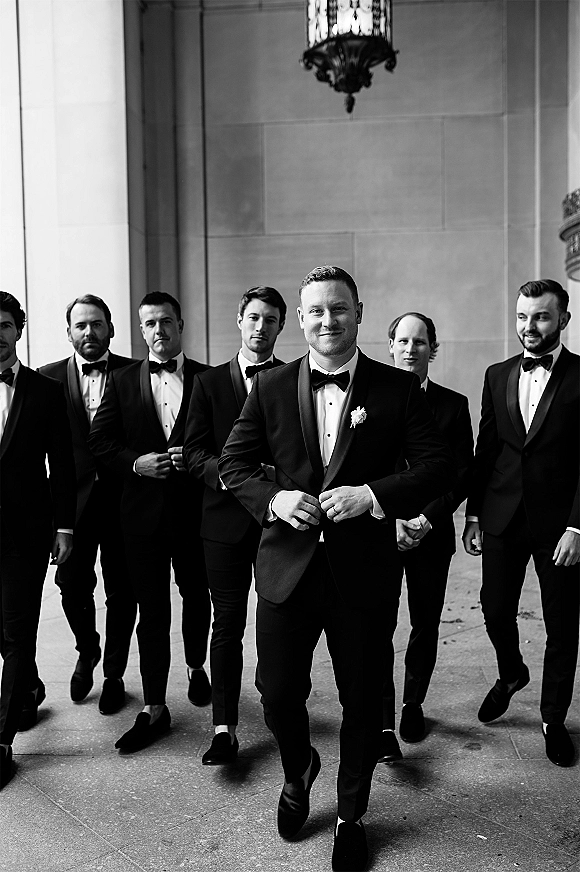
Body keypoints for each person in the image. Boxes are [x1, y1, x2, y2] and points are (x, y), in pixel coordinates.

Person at [218, 266, 455, 871]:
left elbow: (437, 466)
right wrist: (275, 500)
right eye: (317, 311)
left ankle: (351, 814)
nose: (329, 321)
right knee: (276, 694)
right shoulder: (269, 387)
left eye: (339, 309)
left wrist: (372, 495)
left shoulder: (396, 388)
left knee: (361, 700)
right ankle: (299, 767)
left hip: (364, 571)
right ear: (301, 319)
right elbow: (233, 464)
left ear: (359, 314)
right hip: (285, 568)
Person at [463, 279, 579, 768]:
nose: (528, 326)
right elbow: (486, 449)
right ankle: (511, 673)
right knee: (494, 609)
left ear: (563, 320)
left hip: (560, 526)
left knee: (561, 625)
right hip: (502, 515)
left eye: (541, 317)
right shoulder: (497, 374)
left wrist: (578, 528)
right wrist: (473, 513)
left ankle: (553, 718)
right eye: (522, 316)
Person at [88, 292, 211, 752]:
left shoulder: (207, 379)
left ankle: (196, 666)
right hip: (140, 520)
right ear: (141, 330)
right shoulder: (122, 381)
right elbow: (100, 441)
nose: (159, 331)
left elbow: (226, 445)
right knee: (152, 611)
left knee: (197, 597)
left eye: (166, 322)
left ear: (180, 324)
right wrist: (136, 463)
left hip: (196, 516)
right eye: (150, 324)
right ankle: (155, 705)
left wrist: (196, 460)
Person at [184, 286, 286, 765]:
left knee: (275, 622)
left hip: (277, 524)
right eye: (254, 317)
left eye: (270, 319)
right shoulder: (206, 383)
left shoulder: (292, 379)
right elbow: (194, 454)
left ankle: (277, 706)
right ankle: (224, 728)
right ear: (240, 321)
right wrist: (236, 478)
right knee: (226, 623)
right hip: (222, 524)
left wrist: (274, 479)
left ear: (281, 326)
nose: (261, 327)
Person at [379, 312, 473, 763]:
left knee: (425, 621)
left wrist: (424, 518)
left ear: (432, 349)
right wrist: (391, 519)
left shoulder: (453, 406)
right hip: (379, 529)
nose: (410, 349)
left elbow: (460, 474)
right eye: (403, 340)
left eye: (420, 341)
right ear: (390, 346)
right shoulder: (369, 398)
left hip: (430, 531)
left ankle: (412, 704)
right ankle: (382, 720)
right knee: (376, 624)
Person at [39, 296, 136, 715]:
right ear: (69, 333)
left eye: (97, 324)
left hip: (123, 500)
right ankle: (87, 648)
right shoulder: (46, 378)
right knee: (71, 584)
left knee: (122, 590)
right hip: (71, 504)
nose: (89, 332)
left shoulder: (135, 373)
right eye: (80, 325)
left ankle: (114, 675)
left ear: (110, 328)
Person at [0, 292, 76, 790]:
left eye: (4, 325)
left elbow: (62, 465)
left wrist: (64, 527)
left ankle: (2, 741)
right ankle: (27, 683)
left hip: (25, 533)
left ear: (18, 331)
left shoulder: (45, 391)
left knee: (17, 629)